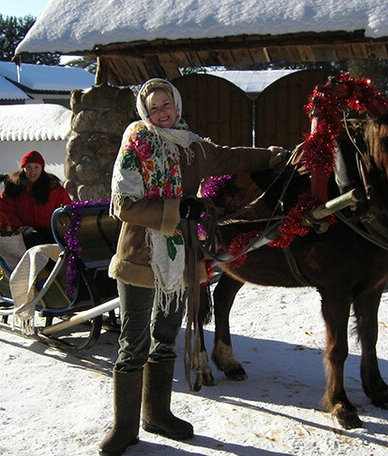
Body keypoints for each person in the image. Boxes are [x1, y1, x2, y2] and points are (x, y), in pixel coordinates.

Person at [102, 78, 287, 456]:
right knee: (133, 342)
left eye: (166, 104)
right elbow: (124, 205)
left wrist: (272, 157)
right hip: (139, 253)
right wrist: (178, 210)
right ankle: (124, 428)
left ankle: (157, 413)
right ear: (145, 112)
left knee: (166, 336)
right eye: (154, 108)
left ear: (177, 105)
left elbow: (229, 157)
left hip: (179, 257)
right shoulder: (135, 143)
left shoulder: (191, 146)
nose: (161, 112)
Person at [0, 150, 72, 248]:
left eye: (36, 167)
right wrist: (20, 228)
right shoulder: (13, 188)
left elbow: (65, 209)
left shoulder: (53, 187)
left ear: (42, 168)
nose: (32, 172)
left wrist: (61, 227)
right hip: (24, 233)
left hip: (51, 231)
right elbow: (5, 212)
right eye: (28, 168)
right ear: (23, 168)